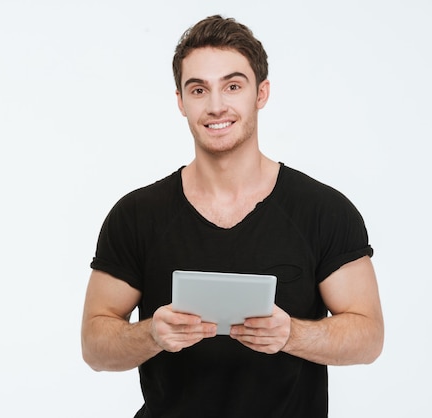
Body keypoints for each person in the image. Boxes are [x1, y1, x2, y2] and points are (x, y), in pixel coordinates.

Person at [81, 15, 384, 418]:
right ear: (180, 101)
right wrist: (151, 333)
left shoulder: (323, 211)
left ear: (261, 93)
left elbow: (368, 337)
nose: (216, 105)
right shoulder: (136, 216)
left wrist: (291, 334)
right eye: (199, 89)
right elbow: (95, 347)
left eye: (233, 86)